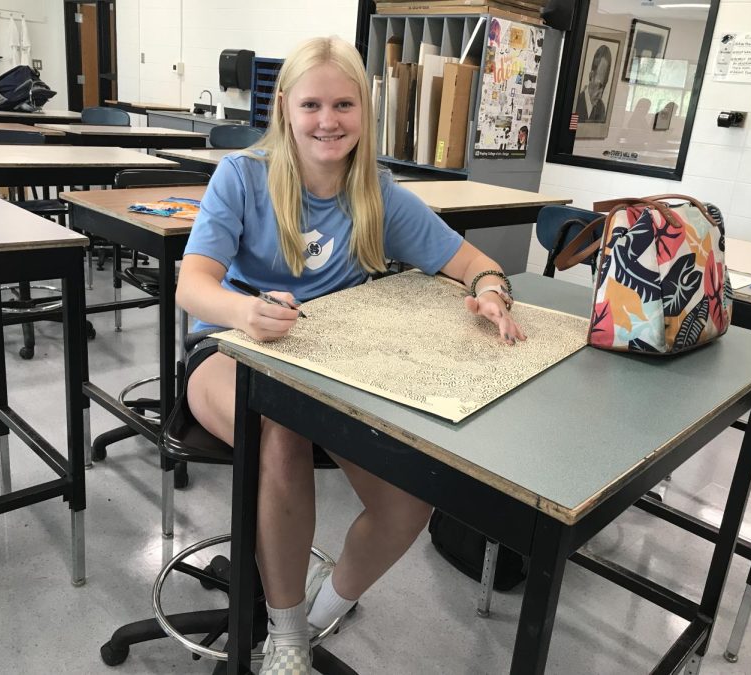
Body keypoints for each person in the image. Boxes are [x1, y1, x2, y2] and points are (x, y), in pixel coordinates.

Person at [175, 36, 525, 675]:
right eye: (312, 104)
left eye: (344, 104)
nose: (328, 121)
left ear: (365, 111)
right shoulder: (242, 177)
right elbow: (191, 283)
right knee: (280, 426)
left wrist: (491, 290)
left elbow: (471, 261)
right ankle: (283, 638)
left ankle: (313, 619)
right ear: (284, 108)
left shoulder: (377, 193)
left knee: (408, 502)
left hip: (331, 366)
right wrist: (243, 311)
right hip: (227, 351)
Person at [576, 44, 612, 123]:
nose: (600, 94)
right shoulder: (576, 102)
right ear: (591, 76)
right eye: (599, 86)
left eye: (604, 87)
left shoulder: (601, 109)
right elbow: (572, 129)